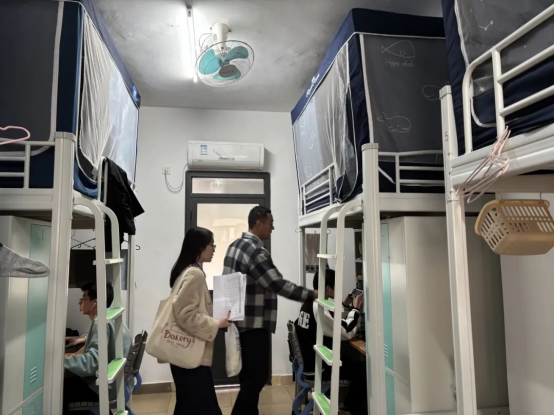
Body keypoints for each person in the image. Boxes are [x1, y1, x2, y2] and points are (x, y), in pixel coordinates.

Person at [223, 206, 315, 415]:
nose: (273, 227)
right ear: (259, 223)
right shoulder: (255, 251)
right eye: (270, 223)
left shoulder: (234, 246)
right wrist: (311, 295)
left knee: (248, 378)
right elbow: (276, 284)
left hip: (238, 322)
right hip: (254, 324)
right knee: (256, 378)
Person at [169, 227, 231, 416]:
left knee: (187, 406)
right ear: (200, 247)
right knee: (206, 407)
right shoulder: (195, 274)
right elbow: (184, 314)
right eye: (212, 245)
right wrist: (216, 324)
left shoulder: (186, 270)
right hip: (191, 355)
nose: (214, 249)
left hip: (183, 353)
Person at [295, 269, 368, 415]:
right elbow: (346, 331)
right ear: (328, 288)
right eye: (336, 286)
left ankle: (348, 405)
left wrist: (345, 304)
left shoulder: (309, 302)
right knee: (362, 369)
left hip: (309, 363)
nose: (338, 289)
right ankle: (353, 409)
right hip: (318, 368)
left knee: (353, 361)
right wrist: (355, 309)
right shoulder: (319, 308)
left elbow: (332, 321)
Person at [63, 282, 132, 414]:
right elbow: (105, 340)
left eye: (83, 298)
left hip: (103, 388)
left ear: (95, 303)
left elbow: (90, 364)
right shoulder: (111, 317)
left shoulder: (100, 323)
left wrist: (61, 359)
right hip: (117, 384)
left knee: (60, 389)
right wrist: (83, 339)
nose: (79, 302)